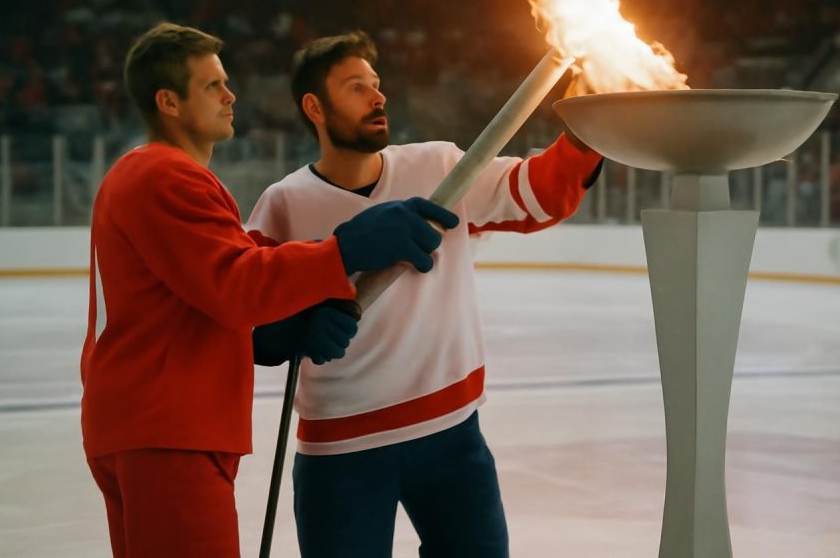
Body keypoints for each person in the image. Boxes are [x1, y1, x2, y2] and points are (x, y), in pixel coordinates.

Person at [80, 22, 458, 558]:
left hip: (148, 426)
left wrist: (288, 325)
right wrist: (345, 249)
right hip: (169, 431)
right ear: (168, 101)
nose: (231, 94)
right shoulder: (167, 175)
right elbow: (237, 283)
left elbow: (208, 291)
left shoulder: (140, 173)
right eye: (212, 85)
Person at [246, 30, 603, 557]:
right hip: (341, 450)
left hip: (452, 437)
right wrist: (288, 329)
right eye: (355, 87)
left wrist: (590, 127)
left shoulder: (440, 168)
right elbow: (246, 310)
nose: (377, 95)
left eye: (376, 83)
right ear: (314, 107)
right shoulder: (283, 204)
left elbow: (539, 192)